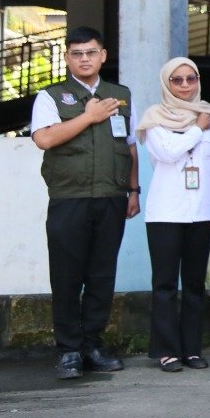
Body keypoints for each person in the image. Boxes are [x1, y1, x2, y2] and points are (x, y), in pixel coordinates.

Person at [30, 26, 139, 380]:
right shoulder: (51, 96)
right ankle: (68, 350)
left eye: (91, 52)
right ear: (67, 58)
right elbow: (45, 139)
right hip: (70, 198)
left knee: (101, 275)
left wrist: (134, 190)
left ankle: (93, 345)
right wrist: (88, 117)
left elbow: (130, 146)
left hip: (110, 197)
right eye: (76, 54)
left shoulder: (120, 95)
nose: (84, 59)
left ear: (103, 55)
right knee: (66, 276)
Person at [137, 57, 210, 372]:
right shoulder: (155, 118)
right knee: (164, 284)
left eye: (191, 78)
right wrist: (197, 129)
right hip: (165, 213)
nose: (185, 85)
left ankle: (191, 349)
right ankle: (166, 350)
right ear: (167, 84)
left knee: (194, 284)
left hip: (201, 212)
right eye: (177, 80)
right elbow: (167, 152)